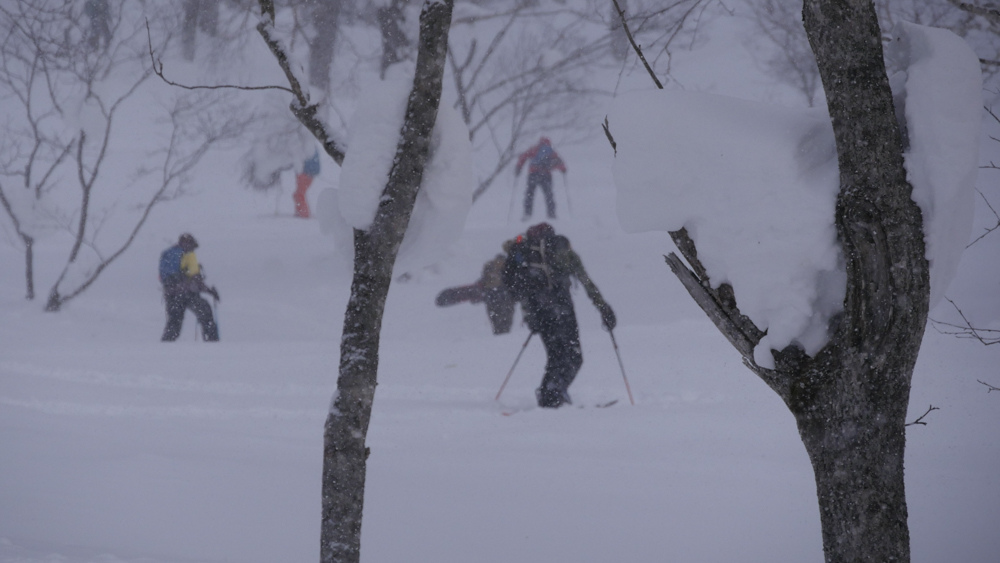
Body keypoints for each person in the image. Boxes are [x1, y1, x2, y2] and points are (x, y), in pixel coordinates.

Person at [502, 223, 616, 408]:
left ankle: (552, 395)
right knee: (573, 357)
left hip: (540, 311)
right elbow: (586, 282)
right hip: (563, 308)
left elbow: (521, 289)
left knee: (556, 356)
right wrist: (603, 308)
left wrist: (531, 317)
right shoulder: (563, 251)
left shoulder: (525, 254)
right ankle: (553, 394)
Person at [435, 250, 516, 335]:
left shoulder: (491, 267)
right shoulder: (507, 269)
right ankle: (501, 336)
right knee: (503, 324)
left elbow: (484, 282)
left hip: (493, 299)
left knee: (498, 324)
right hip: (502, 300)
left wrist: (478, 292)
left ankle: (500, 335)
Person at [159, 233, 220, 341]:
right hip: (187, 294)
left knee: (174, 324)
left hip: (171, 294)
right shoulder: (188, 255)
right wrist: (210, 291)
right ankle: (212, 343)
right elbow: (195, 278)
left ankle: (164, 347)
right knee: (206, 314)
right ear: (189, 244)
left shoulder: (168, 254)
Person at [515, 137, 566, 221]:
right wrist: (563, 169)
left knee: (530, 194)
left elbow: (523, 156)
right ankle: (551, 214)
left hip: (533, 174)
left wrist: (518, 167)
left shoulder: (534, 149)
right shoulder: (551, 151)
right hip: (546, 174)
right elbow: (559, 161)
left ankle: (527, 213)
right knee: (548, 195)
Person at [294, 150, 320, 218]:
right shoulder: (308, 145)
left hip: (305, 172)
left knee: (299, 193)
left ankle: (303, 213)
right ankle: (300, 211)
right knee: (299, 193)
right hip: (309, 171)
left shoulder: (304, 146)